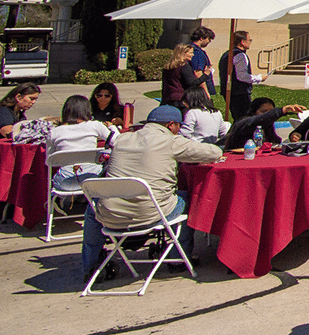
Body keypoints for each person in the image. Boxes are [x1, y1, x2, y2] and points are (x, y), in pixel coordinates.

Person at [81, 104, 222, 283]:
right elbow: (214, 152)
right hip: (151, 213)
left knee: (93, 208)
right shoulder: (171, 141)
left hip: (111, 214)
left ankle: (92, 265)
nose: (179, 131)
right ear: (171, 125)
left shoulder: (122, 140)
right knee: (187, 197)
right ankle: (178, 258)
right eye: (179, 126)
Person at [45, 95, 111, 194]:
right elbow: (116, 141)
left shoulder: (54, 132)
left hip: (65, 181)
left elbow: (50, 161)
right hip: (93, 178)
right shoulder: (95, 125)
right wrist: (112, 127)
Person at [223, 97, 299, 149]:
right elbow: (258, 120)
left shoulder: (267, 125)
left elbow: (275, 142)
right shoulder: (245, 123)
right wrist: (281, 111)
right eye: (264, 112)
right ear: (253, 112)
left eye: (270, 111)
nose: (268, 115)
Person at [226, 31, 263, 121]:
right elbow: (242, 76)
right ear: (242, 42)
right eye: (249, 40)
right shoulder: (240, 55)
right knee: (244, 119)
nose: (250, 42)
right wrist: (259, 78)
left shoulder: (227, 54)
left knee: (238, 118)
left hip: (231, 92)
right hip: (240, 93)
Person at [189, 26, 218, 97]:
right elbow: (198, 72)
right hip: (199, 92)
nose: (209, 41)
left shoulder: (189, 48)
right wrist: (206, 91)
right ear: (201, 38)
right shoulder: (197, 52)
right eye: (209, 39)